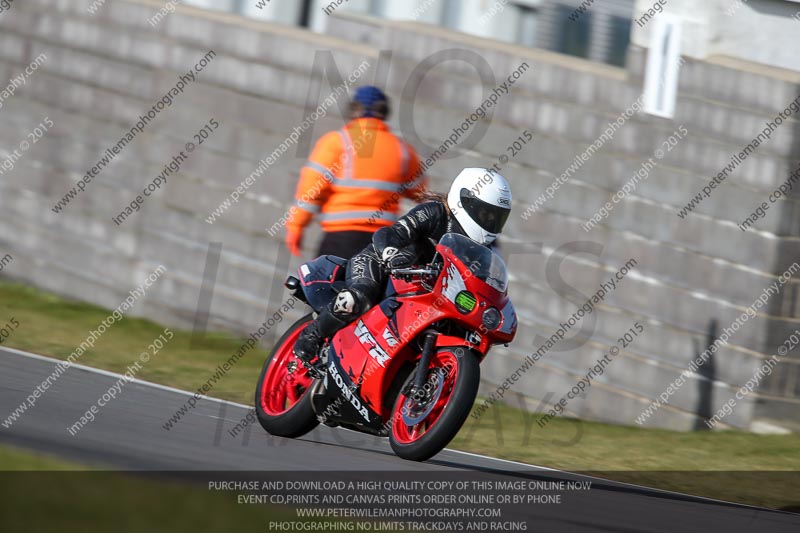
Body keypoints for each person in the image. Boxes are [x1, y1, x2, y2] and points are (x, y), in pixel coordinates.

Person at [293, 167, 512, 362]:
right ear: (464, 200)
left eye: (496, 217)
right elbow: (390, 233)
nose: (489, 222)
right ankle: (312, 336)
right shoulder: (435, 213)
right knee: (357, 298)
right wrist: (391, 253)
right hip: (381, 264)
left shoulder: (485, 250)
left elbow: (485, 282)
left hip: (425, 294)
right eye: (485, 213)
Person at [285, 86, 426, 259]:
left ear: (353, 110)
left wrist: (296, 226)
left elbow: (311, 190)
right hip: (382, 242)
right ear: (384, 112)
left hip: (340, 238)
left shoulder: (336, 142)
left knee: (324, 285)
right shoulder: (402, 150)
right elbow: (421, 193)